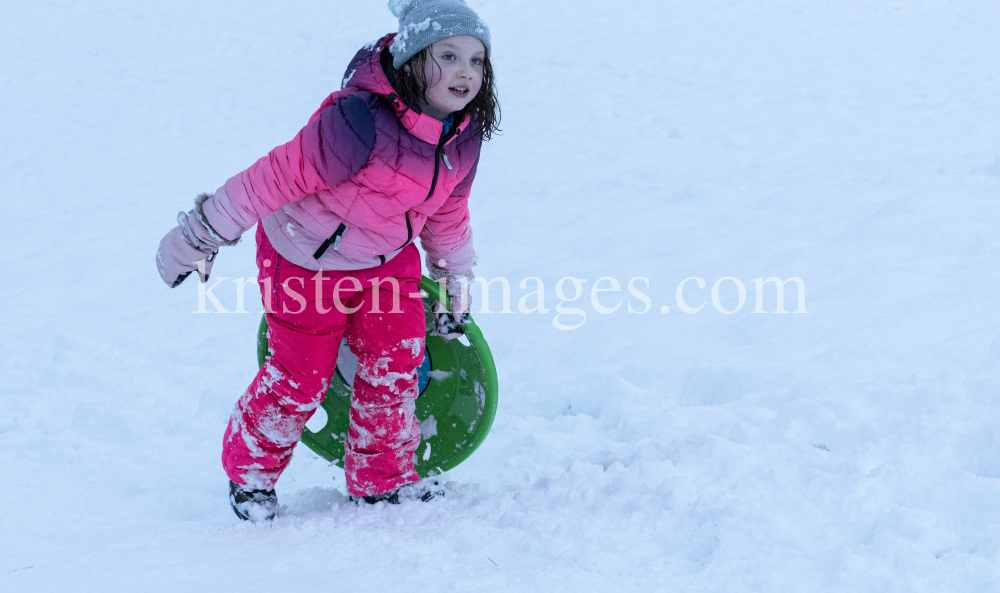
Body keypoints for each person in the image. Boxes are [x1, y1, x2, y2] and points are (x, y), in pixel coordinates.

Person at [154, 0, 499, 523]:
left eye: (476, 61)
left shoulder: (462, 138)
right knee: (301, 376)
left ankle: (381, 482)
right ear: (411, 59)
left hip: (386, 260)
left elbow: (449, 214)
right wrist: (198, 234)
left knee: (397, 364)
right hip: (303, 257)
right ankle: (250, 477)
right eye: (448, 55)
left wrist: (455, 283)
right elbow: (270, 179)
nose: (464, 72)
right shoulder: (356, 123)